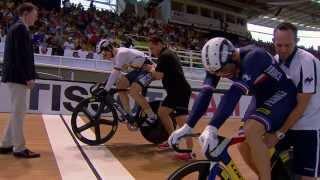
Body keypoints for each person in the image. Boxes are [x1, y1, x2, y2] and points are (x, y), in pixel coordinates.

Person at [170, 37, 297, 180]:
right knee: (243, 146)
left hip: (283, 94)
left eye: (223, 70)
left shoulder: (254, 56)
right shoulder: (218, 64)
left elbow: (234, 93)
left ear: (233, 56)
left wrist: (213, 126)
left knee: (252, 130)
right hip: (261, 97)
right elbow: (206, 93)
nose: (221, 75)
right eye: (217, 73)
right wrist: (188, 126)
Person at [262, 22, 320, 180]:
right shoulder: (274, 61)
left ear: (297, 41)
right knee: (279, 172)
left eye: (288, 45)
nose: (283, 50)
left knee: (306, 177)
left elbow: (302, 107)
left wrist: (279, 134)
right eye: (279, 45)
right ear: (273, 41)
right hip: (288, 125)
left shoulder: (306, 62)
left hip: (310, 126)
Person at [0, 3, 40, 158]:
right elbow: (20, 57)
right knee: (19, 112)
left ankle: (6, 144)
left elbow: (21, 56)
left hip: (15, 76)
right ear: (25, 13)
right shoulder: (20, 29)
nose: (36, 18)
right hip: (18, 77)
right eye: (34, 14)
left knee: (17, 111)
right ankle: (19, 148)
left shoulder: (18, 28)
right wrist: (28, 77)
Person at [146, 35, 194, 160]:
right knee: (162, 112)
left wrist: (151, 69)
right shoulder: (167, 54)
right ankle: (172, 140)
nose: (152, 51)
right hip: (175, 92)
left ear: (159, 44)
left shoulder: (165, 55)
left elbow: (158, 76)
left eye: (152, 48)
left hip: (179, 92)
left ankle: (189, 151)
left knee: (182, 122)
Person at [96, 39, 156, 126]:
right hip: (137, 70)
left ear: (109, 48)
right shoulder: (113, 57)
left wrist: (106, 89)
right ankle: (128, 114)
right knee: (120, 85)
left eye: (104, 54)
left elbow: (115, 72)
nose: (104, 57)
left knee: (133, 92)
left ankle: (152, 116)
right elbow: (116, 73)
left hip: (148, 69)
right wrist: (106, 83)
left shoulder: (121, 53)